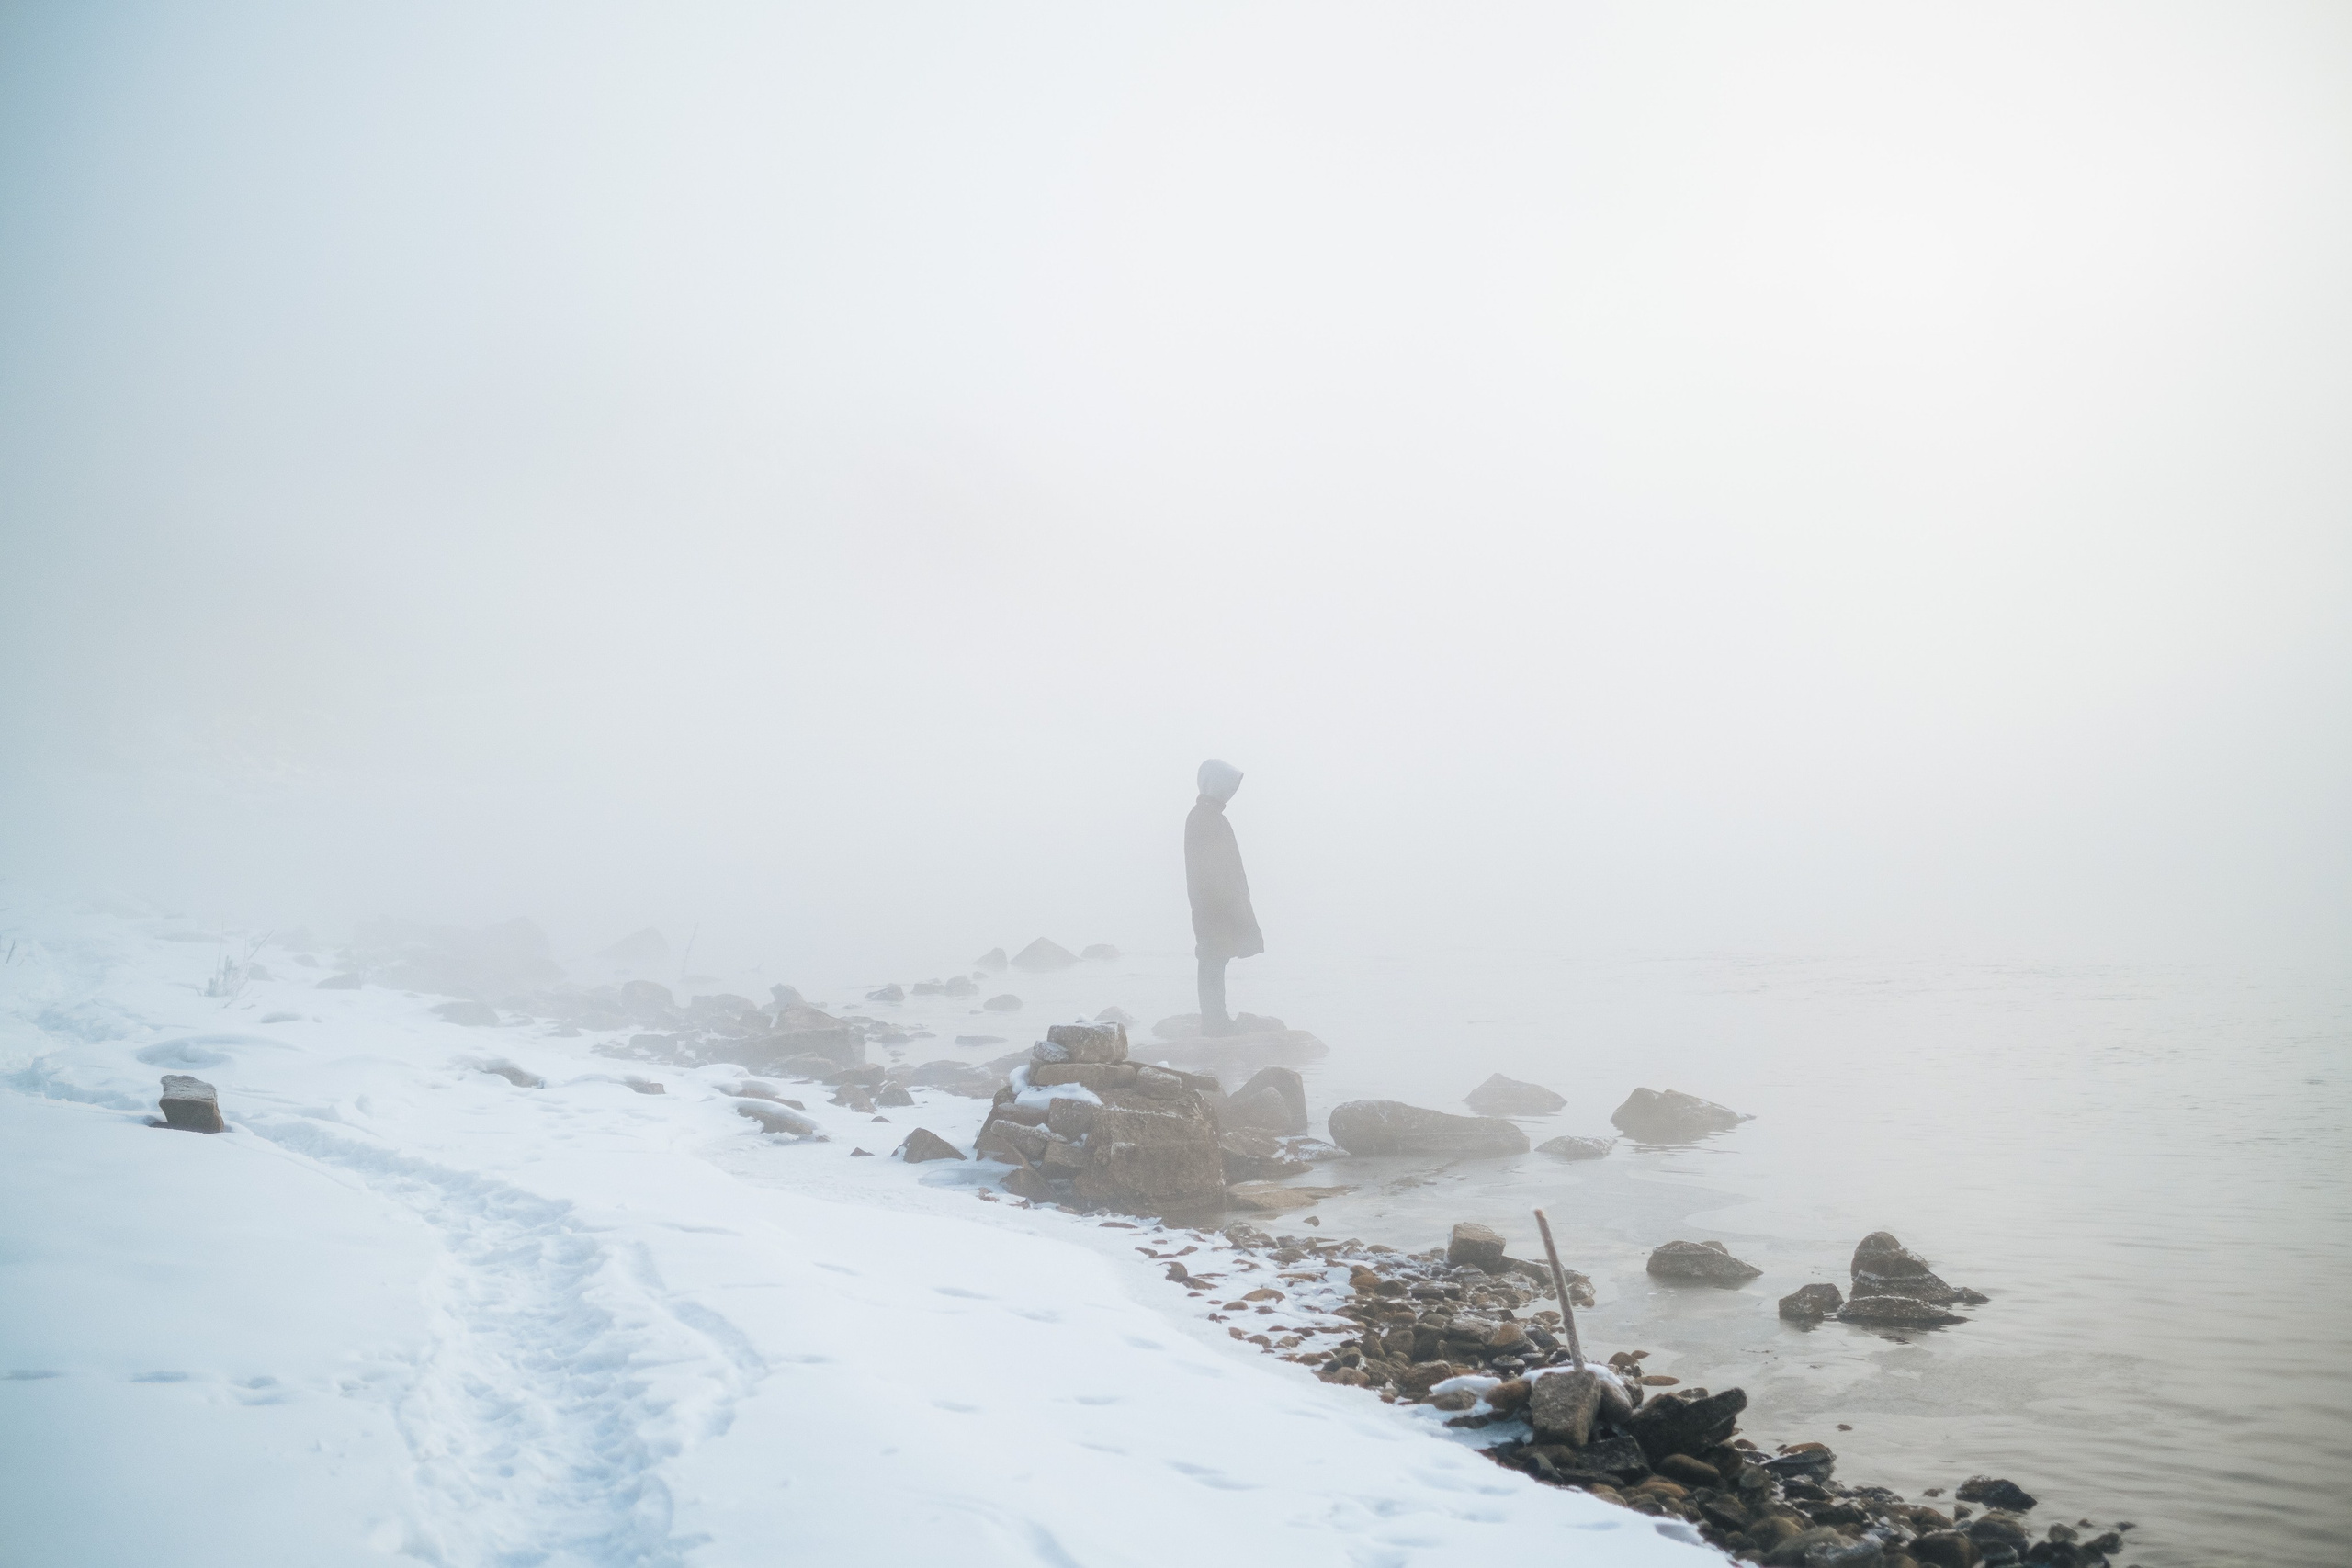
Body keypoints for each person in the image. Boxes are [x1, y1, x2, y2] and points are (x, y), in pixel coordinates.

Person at [1185, 758, 1262, 1034]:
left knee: (1216, 959)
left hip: (1217, 905)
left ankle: (1216, 1019)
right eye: (1229, 786)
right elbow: (1207, 870)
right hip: (1212, 906)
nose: (1232, 792)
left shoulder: (1211, 816)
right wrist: (1226, 905)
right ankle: (1214, 1022)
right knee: (1211, 959)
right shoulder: (1203, 818)